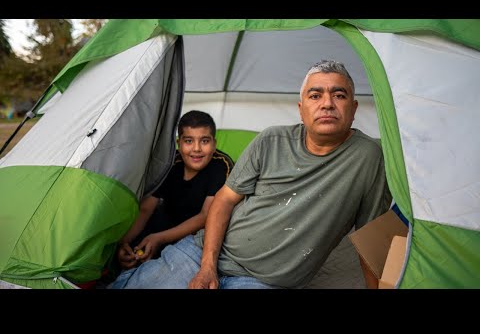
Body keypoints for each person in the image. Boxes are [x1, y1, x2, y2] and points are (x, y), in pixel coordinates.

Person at [108, 60, 391, 289]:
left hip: (261, 281)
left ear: (353, 109)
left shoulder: (368, 157)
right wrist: (207, 266)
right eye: (315, 95)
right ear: (301, 109)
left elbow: (371, 237)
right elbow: (224, 201)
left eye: (339, 95)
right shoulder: (271, 140)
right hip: (203, 253)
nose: (327, 103)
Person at [114, 110, 234, 271]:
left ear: (214, 143)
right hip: (167, 224)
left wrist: (159, 239)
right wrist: (124, 242)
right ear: (179, 143)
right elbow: (146, 208)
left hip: (198, 235)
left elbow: (206, 215)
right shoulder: (170, 164)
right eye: (189, 141)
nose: (197, 149)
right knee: (133, 252)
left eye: (204, 141)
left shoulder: (222, 165)